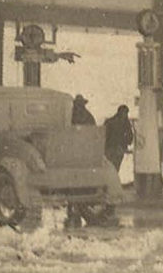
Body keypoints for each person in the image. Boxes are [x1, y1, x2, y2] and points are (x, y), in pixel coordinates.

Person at [66, 94, 97, 228]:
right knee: (82, 183)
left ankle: (73, 208)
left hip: (73, 152)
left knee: (73, 182)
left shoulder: (70, 116)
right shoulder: (89, 116)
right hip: (85, 152)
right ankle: (80, 207)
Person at [104, 105, 133, 172]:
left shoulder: (125, 123)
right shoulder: (112, 122)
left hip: (115, 149)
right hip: (112, 149)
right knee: (113, 168)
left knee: (114, 168)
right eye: (124, 113)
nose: (125, 115)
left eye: (126, 113)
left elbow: (130, 137)